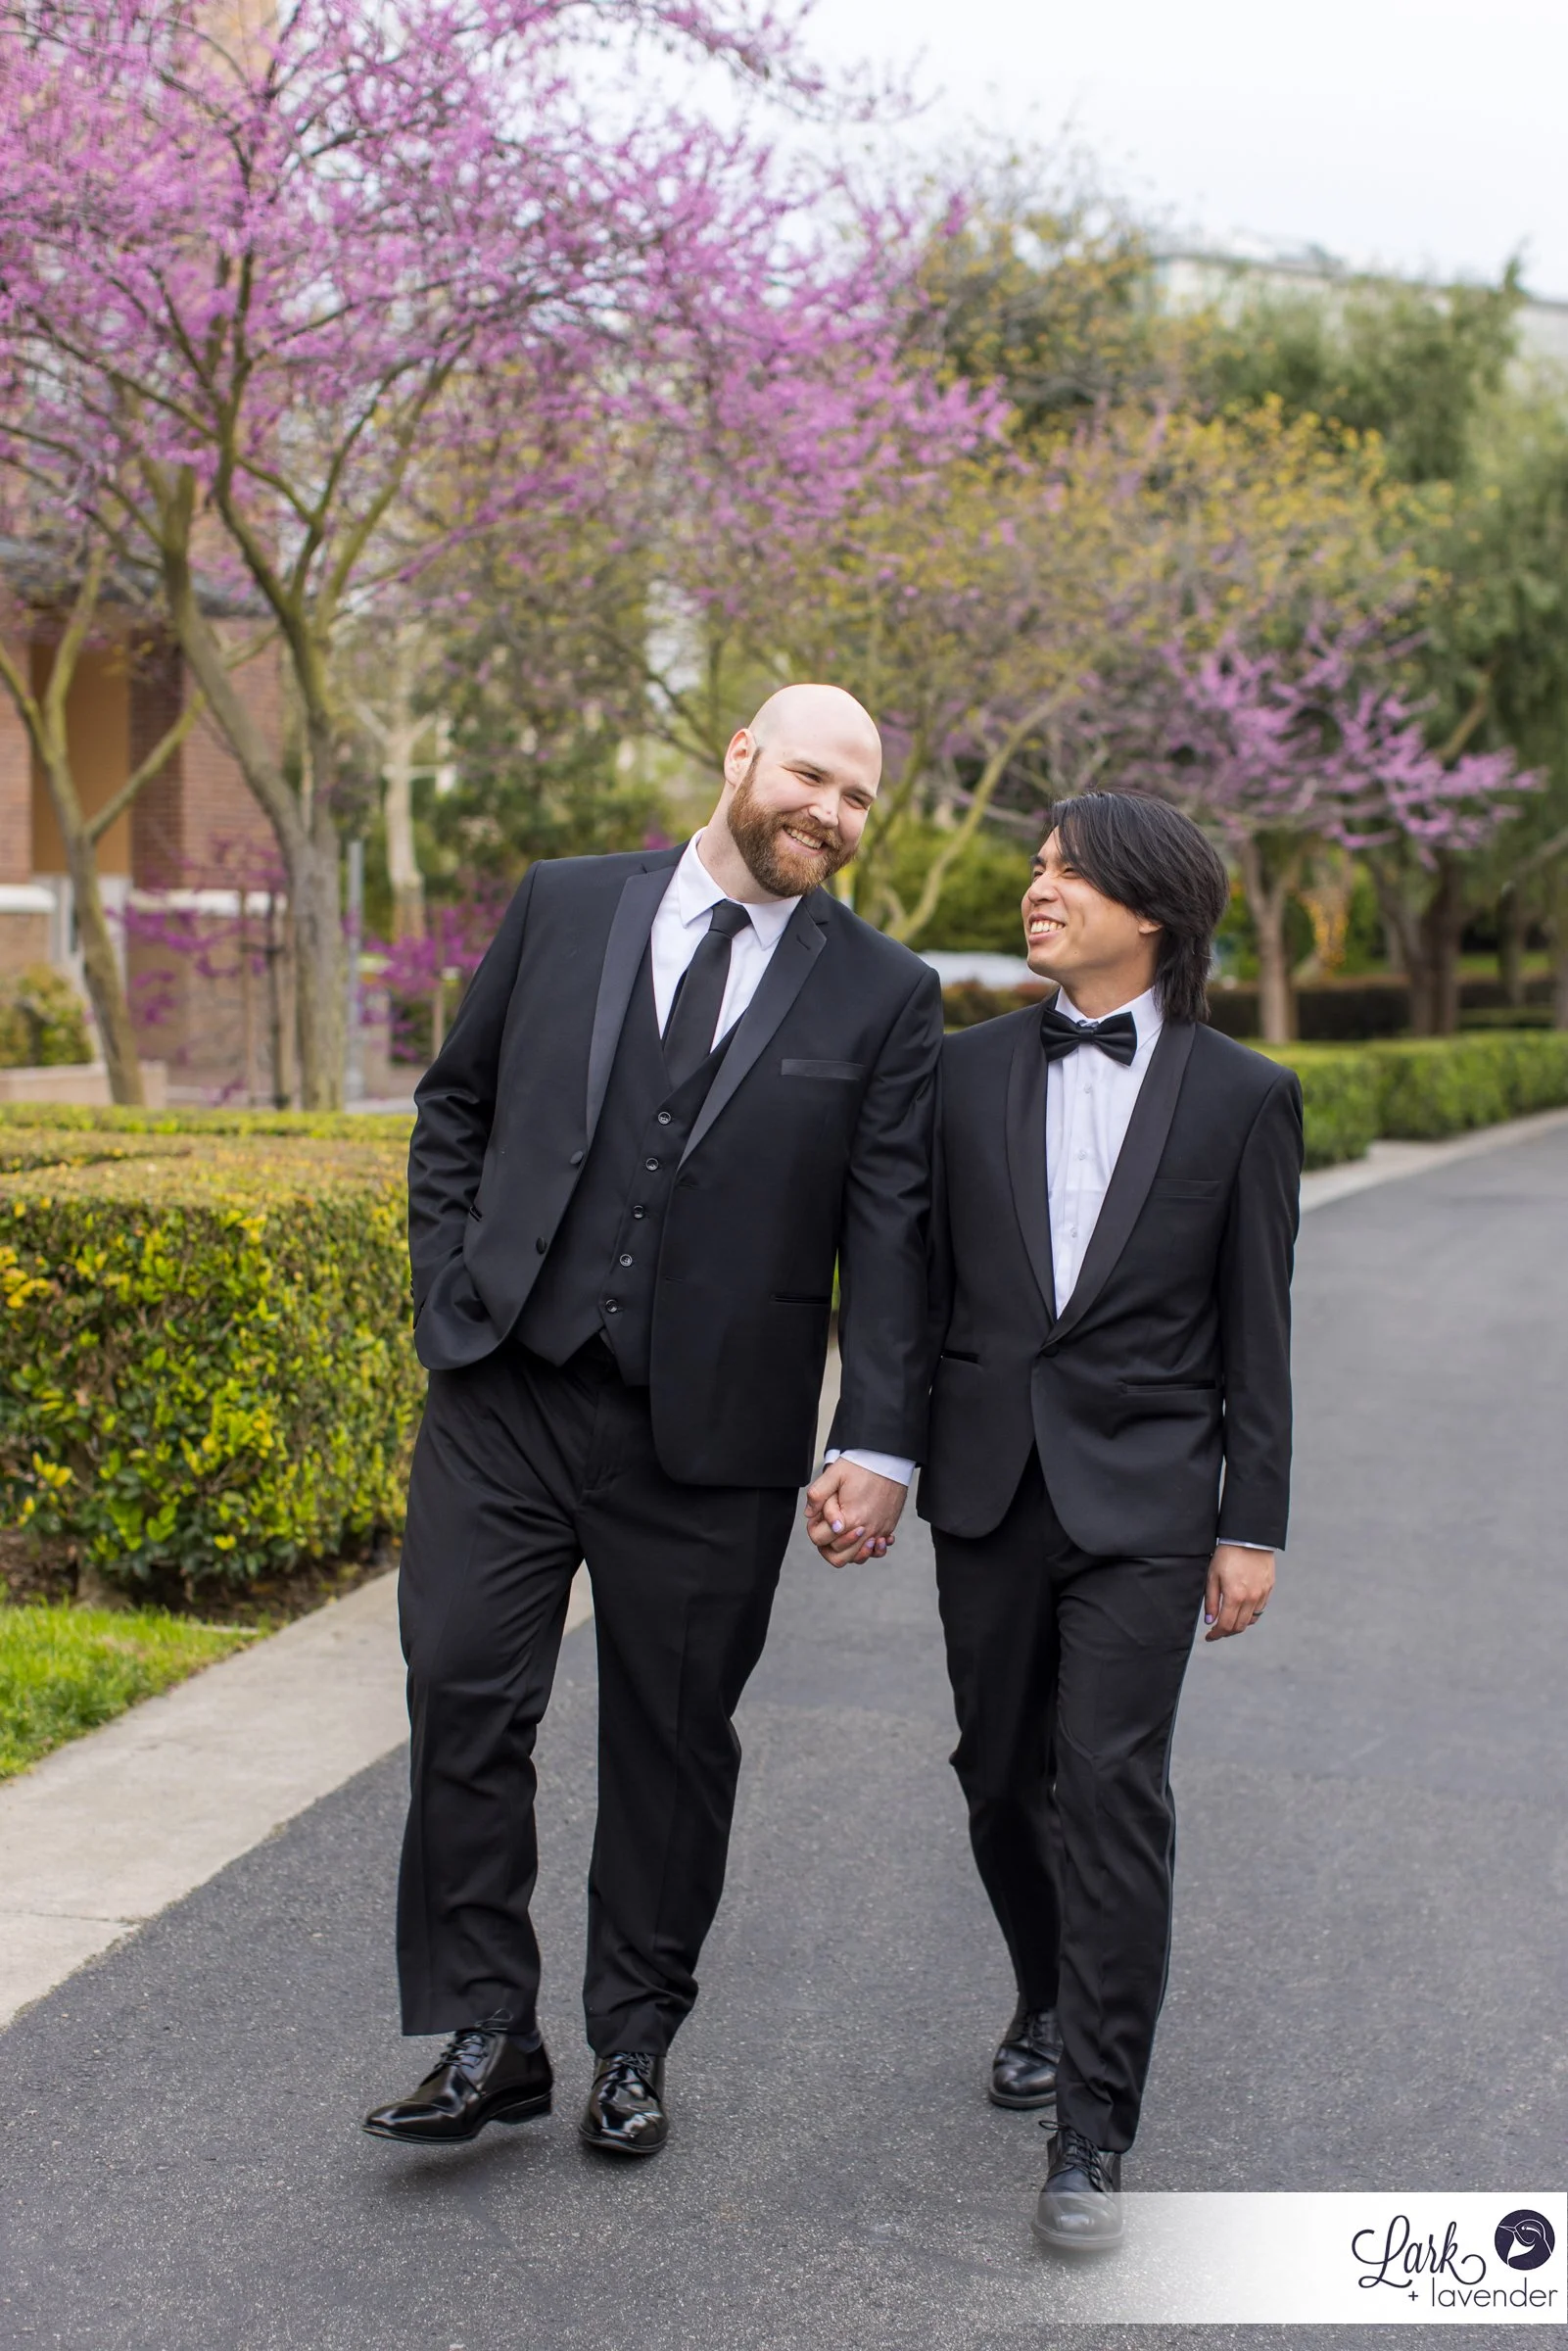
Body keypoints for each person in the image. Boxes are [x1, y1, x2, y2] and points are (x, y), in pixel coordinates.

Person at [364, 684, 941, 2159]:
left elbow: (890, 1235)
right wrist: (453, 1293)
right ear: (740, 756)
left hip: (714, 1439)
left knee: (675, 1745)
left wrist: (875, 1437)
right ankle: (488, 2027)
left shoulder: (885, 994)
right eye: (812, 775)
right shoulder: (566, 905)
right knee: (462, 1696)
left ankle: (635, 2042)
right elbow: (456, 1108)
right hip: (508, 1394)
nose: (831, 812)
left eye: (860, 797)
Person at [909, 791, 1302, 2250]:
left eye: (1070, 872)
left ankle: (1092, 2131)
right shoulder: (960, 1078)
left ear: (1152, 913)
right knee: (1001, 1777)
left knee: (1110, 1790)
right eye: (1037, 865)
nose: (1038, 886)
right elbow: (921, 1292)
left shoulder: (1244, 1096)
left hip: (1147, 1504)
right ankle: (1045, 1986)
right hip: (991, 1485)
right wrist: (880, 1446)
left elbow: (1259, 1331)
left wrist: (1249, 1522)